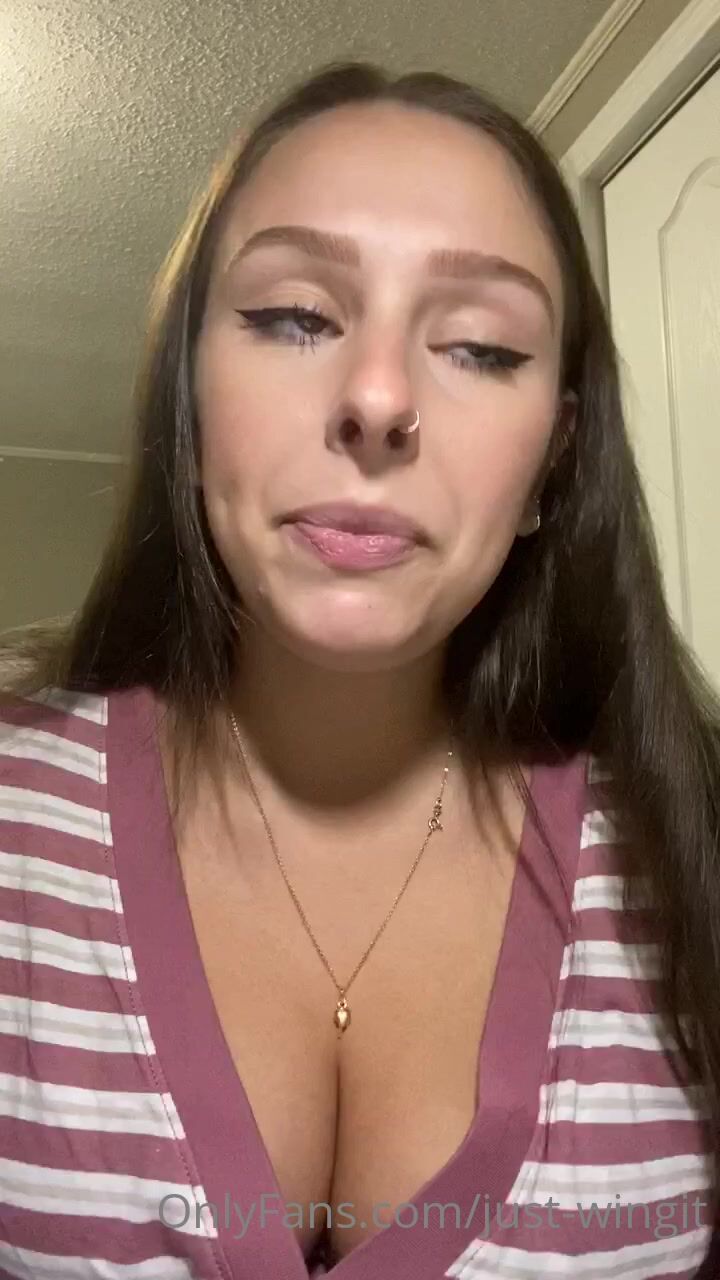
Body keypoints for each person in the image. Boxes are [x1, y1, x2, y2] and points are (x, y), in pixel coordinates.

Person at [1, 58, 720, 1280]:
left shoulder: (689, 838)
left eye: (482, 346)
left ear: (554, 463)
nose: (378, 397)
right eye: (295, 317)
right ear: (188, 407)